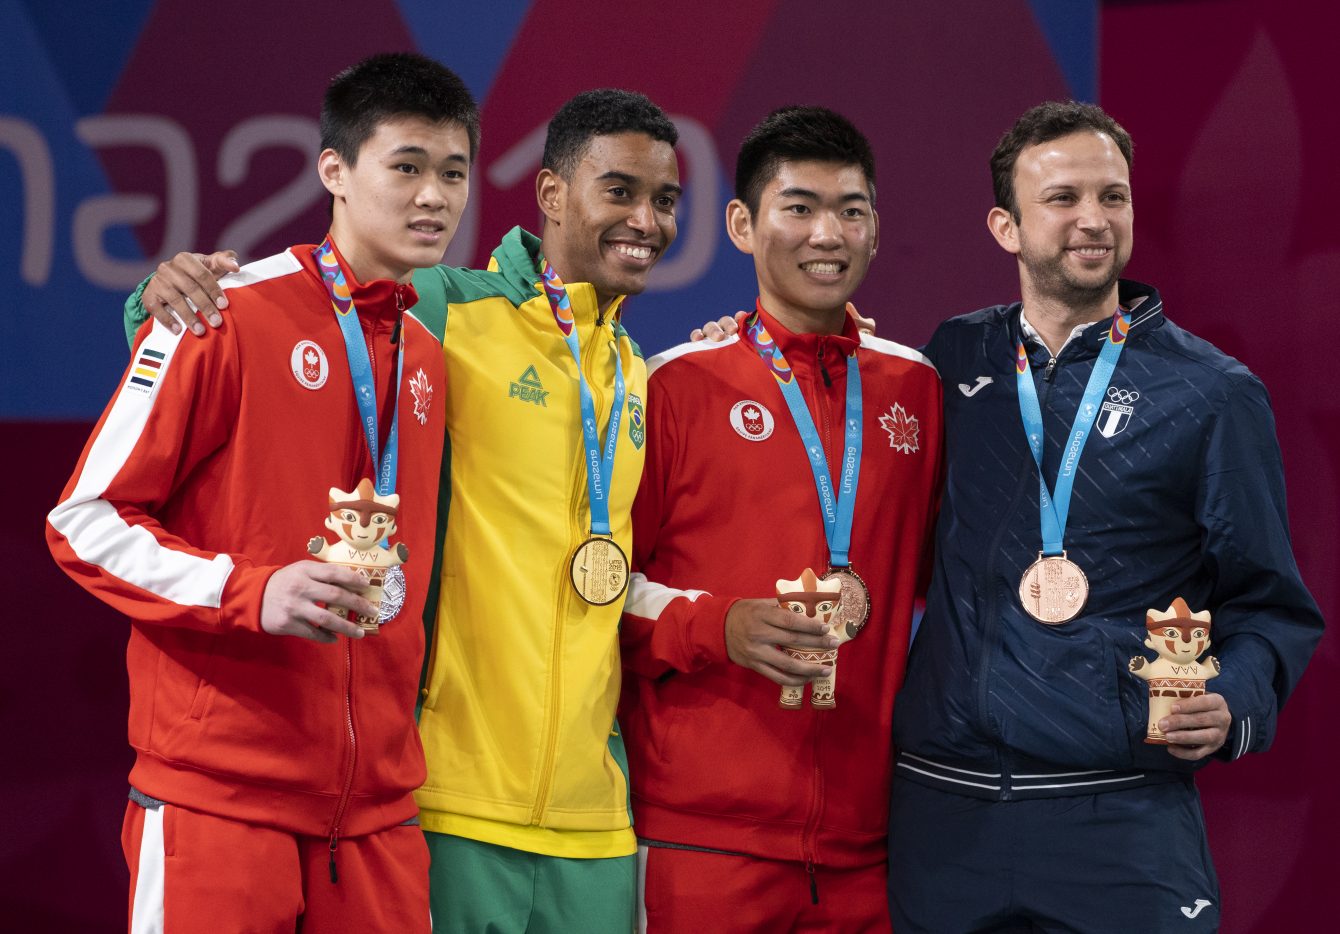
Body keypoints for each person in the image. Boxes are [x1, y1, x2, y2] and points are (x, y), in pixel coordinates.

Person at [123, 88, 682, 932]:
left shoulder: (637, 367)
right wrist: (165, 292)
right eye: (620, 192)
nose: (645, 218)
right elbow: (301, 313)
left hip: (588, 811)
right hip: (446, 789)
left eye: (666, 200)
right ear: (552, 195)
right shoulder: (449, 305)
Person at [47, 52, 479, 932]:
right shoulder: (220, 313)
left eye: (454, 172)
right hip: (220, 800)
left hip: (376, 818)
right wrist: (251, 591)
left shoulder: (428, 357)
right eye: (406, 167)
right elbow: (83, 521)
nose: (434, 196)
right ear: (334, 171)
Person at [886, 101, 1323, 933]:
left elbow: (1270, 603)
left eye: (1112, 197)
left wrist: (1231, 698)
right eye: (1062, 199)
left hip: (1119, 822)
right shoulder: (952, 359)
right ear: (1005, 226)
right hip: (944, 814)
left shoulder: (1211, 392)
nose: (1094, 220)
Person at [621, 106, 943, 932]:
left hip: (870, 846)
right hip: (705, 840)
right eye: (798, 207)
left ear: (876, 228)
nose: (826, 233)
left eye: (852, 210)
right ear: (741, 223)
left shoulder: (916, 389)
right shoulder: (674, 386)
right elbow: (601, 587)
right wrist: (715, 627)